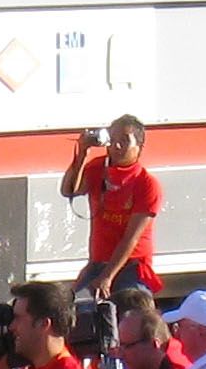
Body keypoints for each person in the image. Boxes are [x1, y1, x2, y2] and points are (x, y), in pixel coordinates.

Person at [64, 119, 164, 298]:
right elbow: (69, 190)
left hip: (131, 265)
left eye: (124, 141)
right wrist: (82, 154)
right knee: (74, 306)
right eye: (113, 139)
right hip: (98, 262)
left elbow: (131, 238)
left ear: (140, 146)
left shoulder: (146, 183)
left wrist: (108, 276)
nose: (116, 146)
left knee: (131, 307)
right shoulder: (97, 167)